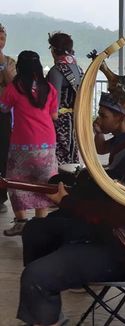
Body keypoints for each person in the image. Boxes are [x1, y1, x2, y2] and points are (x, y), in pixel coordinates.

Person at [16, 130, 125, 326]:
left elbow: (112, 216)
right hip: (110, 234)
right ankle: (46, 311)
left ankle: (45, 288)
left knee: (35, 276)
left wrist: (68, 202)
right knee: (36, 230)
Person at [0, 50, 59, 236]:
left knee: (16, 183)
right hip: (46, 143)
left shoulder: (14, 88)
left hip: (22, 144)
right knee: (43, 183)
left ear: (19, 67)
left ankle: (21, 222)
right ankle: (40, 223)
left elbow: (3, 108)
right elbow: (54, 115)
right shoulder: (49, 88)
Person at [47, 32, 83, 165]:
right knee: (72, 155)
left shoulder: (56, 70)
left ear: (54, 50)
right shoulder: (79, 69)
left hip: (60, 122)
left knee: (60, 160)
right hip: (75, 120)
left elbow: (53, 105)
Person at [0, 23, 17, 213]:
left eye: (2, 38)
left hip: (3, 115)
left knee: (3, 152)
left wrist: (2, 62)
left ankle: (0, 196)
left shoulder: (10, 61)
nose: (0, 42)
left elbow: (12, 82)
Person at [93, 92, 125, 168]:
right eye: (99, 115)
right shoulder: (122, 136)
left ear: (122, 118)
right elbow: (101, 149)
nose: (98, 119)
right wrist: (99, 133)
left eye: (103, 116)